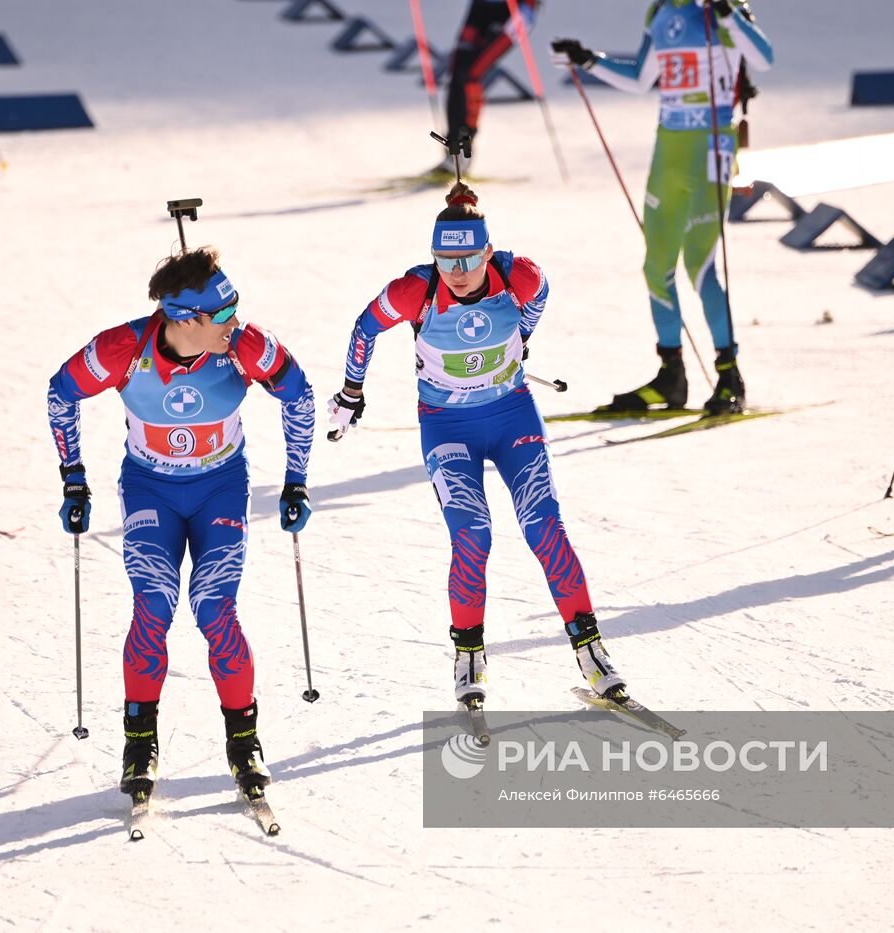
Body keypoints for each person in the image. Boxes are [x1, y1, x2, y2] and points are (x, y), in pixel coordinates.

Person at [325, 182, 626, 711]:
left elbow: (541, 294)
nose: (457, 271)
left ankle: (590, 649)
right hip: (447, 425)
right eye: (446, 259)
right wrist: (352, 392)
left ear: (488, 251)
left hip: (512, 415)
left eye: (468, 258)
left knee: (544, 524)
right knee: (473, 534)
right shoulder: (413, 291)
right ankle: (469, 656)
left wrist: (522, 339)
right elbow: (364, 327)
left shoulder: (519, 275)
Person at [46, 246, 316, 801]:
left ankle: (245, 742)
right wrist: (74, 477)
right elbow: (61, 391)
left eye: (235, 307)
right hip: (151, 489)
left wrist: (296, 478)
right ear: (185, 319)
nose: (234, 323)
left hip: (220, 487)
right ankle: (139, 744)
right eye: (222, 315)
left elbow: (300, 395)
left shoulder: (246, 348)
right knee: (154, 605)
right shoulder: (123, 349)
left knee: (215, 608)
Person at [551, 0, 772, 414]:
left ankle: (729, 376)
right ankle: (671, 375)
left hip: (711, 150)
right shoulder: (662, 12)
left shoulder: (720, 9)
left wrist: (727, 14)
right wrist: (588, 60)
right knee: (656, 267)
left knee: (701, 266)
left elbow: (764, 57)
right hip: (668, 151)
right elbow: (640, 77)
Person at [425, 0, 539, 180]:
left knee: (471, 74)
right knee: (456, 72)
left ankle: (465, 147)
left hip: (516, 10)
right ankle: (453, 149)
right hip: (481, 7)